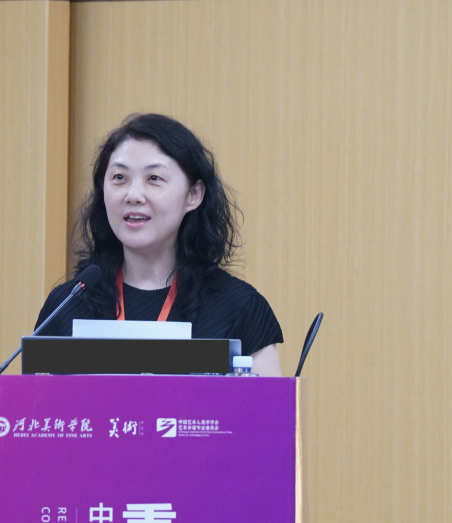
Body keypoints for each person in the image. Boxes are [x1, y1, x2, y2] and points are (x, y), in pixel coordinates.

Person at [35, 113, 283, 377]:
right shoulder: (67, 304)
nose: (133, 195)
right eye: (119, 177)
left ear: (193, 195)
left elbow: (270, 405)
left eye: (154, 178)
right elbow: (33, 403)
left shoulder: (240, 307)